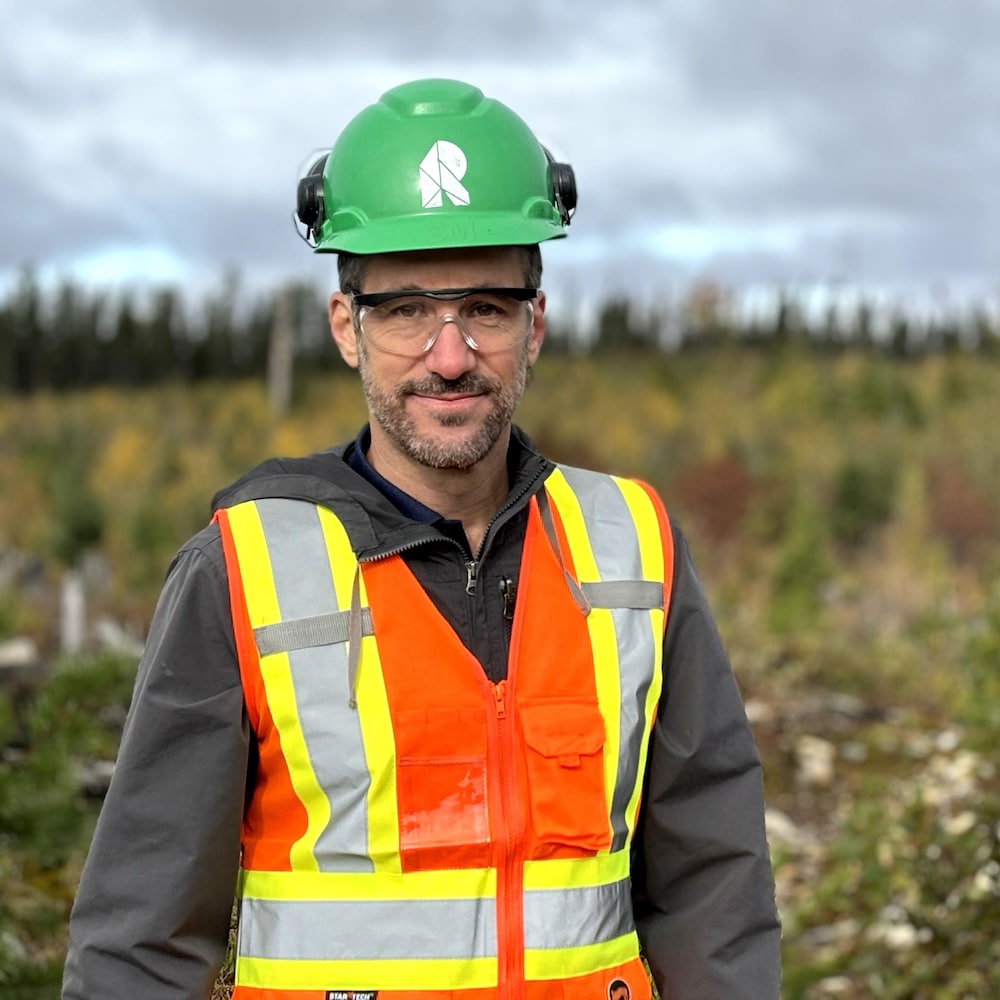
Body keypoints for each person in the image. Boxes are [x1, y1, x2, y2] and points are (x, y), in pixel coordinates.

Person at [62, 78, 781, 999]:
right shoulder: (240, 571)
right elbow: (140, 942)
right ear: (346, 329)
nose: (449, 355)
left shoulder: (636, 548)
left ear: (536, 326)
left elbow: (713, 885)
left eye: (485, 306)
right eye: (405, 310)